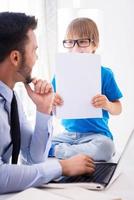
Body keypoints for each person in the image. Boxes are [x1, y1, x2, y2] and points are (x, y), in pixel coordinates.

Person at [0, 12, 95, 194]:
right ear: (15, 57)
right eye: (34, 50)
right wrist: (61, 167)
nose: (36, 58)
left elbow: (34, 157)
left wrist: (43, 109)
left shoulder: (12, 100)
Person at [49, 17, 123, 161]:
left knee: (107, 148)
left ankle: (61, 152)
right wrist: (52, 103)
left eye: (82, 42)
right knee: (39, 145)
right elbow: (51, 110)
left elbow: (118, 109)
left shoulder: (105, 74)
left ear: (94, 45)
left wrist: (107, 104)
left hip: (97, 136)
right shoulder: (60, 73)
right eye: (70, 42)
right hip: (68, 136)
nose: (76, 48)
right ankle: (67, 151)